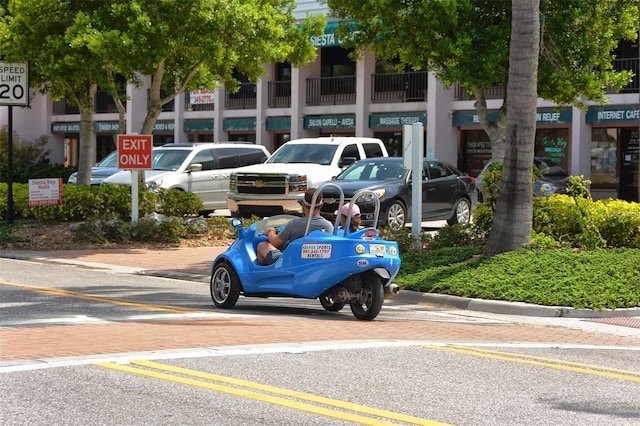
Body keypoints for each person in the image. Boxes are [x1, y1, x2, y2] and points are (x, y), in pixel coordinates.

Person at [257, 188, 334, 265]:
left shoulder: (294, 224)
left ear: (303, 205)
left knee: (262, 245)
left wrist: (270, 231)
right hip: (317, 264)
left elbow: (274, 242)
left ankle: (266, 272)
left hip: (291, 263)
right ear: (321, 205)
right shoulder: (329, 226)